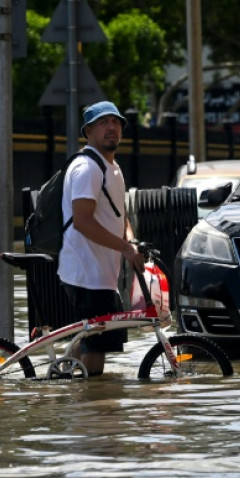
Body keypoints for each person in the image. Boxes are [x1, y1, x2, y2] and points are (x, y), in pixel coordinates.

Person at [58, 101, 144, 377]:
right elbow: (83, 222)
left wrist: (130, 242)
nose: (112, 128)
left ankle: (60, 382)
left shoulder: (112, 168)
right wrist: (125, 250)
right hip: (85, 273)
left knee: (88, 340)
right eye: (103, 123)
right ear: (89, 132)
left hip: (101, 274)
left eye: (116, 122)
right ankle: (94, 413)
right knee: (96, 350)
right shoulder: (88, 168)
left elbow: (120, 216)